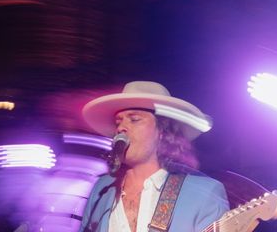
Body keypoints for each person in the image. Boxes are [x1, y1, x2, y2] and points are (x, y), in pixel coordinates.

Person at [79, 81, 229, 232]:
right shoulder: (102, 188)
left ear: (162, 131)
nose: (121, 128)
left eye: (134, 119)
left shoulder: (204, 193)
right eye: (118, 122)